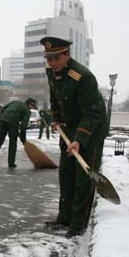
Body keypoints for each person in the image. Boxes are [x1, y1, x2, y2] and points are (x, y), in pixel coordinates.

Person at [41, 36, 108, 238]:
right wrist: (57, 118)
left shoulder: (83, 76)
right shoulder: (51, 72)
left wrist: (80, 139)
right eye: (48, 58)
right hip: (69, 127)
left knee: (83, 178)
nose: (51, 63)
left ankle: (78, 224)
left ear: (67, 55)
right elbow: (55, 97)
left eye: (55, 58)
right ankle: (64, 217)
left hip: (91, 129)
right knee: (66, 175)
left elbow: (93, 113)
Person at [0, 98, 37, 168]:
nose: (32, 108)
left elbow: (3, 109)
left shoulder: (15, 102)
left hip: (3, 120)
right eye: (32, 106)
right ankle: (11, 163)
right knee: (13, 142)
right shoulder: (27, 111)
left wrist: (6, 117)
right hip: (13, 122)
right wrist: (24, 141)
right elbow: (23, 127)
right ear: (29, 104)